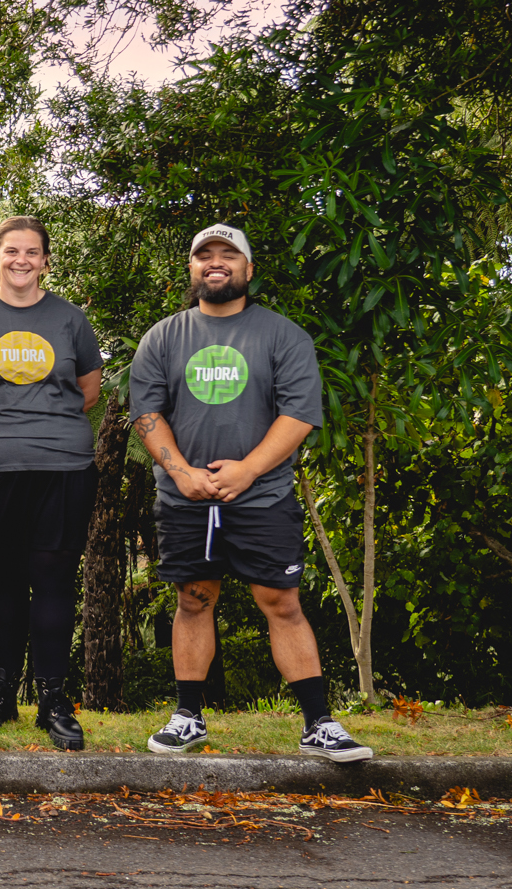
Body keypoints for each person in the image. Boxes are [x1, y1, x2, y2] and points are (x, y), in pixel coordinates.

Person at [130, 223, 373, 762]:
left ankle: (319, 725)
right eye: (204, 256)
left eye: (228, 255)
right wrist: (182, 473)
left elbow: (299, 414)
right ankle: (187, 717)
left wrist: (248, 471)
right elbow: (147, 414)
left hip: (262, 498)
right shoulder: (163, 337)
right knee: (194, 599)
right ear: (192, 270)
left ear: (248, 269)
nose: (216, 263)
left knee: (281, 602)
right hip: (185, 498)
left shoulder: (283, 336)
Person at [0, 215, 102, 750]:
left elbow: (87, 391)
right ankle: (2, 691)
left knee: (53, 576)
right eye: (12, 252)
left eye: (32, 252)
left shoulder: (70, 320)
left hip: (62, 467)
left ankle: (54, 700)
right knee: (3, 575)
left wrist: (39, 429)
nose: (22, 260)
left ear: (46, 261)